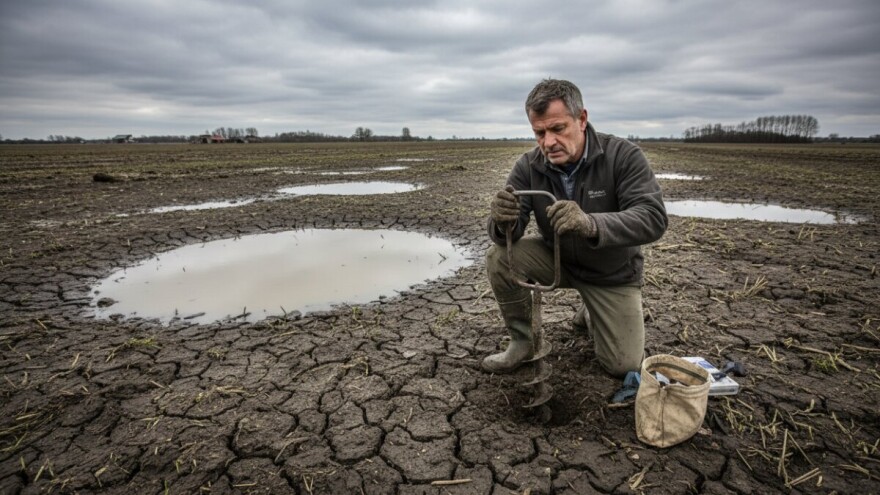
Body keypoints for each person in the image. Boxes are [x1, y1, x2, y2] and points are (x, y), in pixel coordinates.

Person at [484, 78, 667, 378]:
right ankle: (522, 342)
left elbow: (653, 217)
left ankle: (592, 311)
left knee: (622, 366)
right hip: (559, 262)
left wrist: (591, 223)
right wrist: (502, 221)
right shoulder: (529, 166)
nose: (548, 142)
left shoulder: (622, 156)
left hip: (611, 274)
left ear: (582, 119)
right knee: (499, 257)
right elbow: (509, 235)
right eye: (539, 132)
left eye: (558, 129)